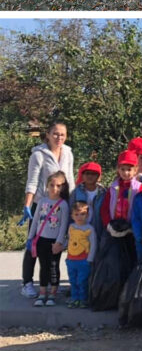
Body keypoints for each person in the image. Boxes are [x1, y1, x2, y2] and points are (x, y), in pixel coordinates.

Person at [21, 120, 74, 300]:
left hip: (61, 205)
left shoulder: (67, 152)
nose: (59, 137)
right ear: (48, 135)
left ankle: (52, 283)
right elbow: (33, 181)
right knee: (34, 244)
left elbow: (70, 180)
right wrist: (28, 205)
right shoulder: (38, 155)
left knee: (56, 244)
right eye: (56, 134)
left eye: (62, 134)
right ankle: (27, 282)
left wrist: (73, 202)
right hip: (41, 205)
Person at [26, 172, 70, 308]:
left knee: (53, 267)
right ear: (47, 186)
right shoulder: (42, 201)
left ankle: (53, 293)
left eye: (58, 186)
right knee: (43, 266)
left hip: (54, 242)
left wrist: (59, 242)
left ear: (63, 187)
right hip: (41, 240)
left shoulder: (63, 205)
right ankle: (42, 292)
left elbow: (63, 224)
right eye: (51, 185)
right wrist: (30, 237)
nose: (54, 188)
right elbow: (34, 221)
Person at [99, 150, 142, 230]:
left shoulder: (138, 188)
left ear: (135, 170)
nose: (125, 173)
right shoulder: (113, 188)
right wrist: (108, 224)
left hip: (132, 228)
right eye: (122, 169)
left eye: (129, 169)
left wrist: (136, 226)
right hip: (114, 226)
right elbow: (105, 208)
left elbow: (141, 209)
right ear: (118, 169)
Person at [65, 201, 96, 308]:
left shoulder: (90, 229)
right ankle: (74, 299)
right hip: (71, 259)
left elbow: (93, 244)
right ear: (72, 216)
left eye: (82, 214)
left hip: (84, 260)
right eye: (76, 214)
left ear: (87, 215)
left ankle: (83, 299)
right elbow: (69, 240)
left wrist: (90, 259)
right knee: (73, 280)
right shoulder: (71, 227)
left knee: (82, 281)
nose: (79, 217)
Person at [70, 161, 105, 238]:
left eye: (93, 174)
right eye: (87, 173)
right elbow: (70, 210)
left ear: (99, 176)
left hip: (98, 230)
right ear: (82, 175)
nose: (90, 176)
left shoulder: (103, 193)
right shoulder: (76, 192)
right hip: (78, 230)